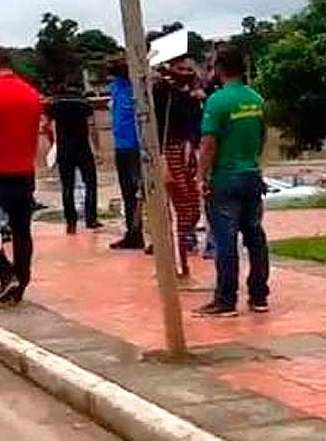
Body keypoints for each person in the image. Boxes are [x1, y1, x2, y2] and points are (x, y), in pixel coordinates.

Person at [194, 48, 269, 317]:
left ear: (221, 69)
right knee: (255, 237)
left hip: (225, 179)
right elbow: (261, 137)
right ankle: (259, 296)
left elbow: (208, 143)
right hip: (251, 175)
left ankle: (225, 300)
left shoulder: (217, 102)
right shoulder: (256, 100)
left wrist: (200, 176)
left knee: (225, 240)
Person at [0, 47, 43, 306]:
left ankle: (5, 272)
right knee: (22, 230)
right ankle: (21, 280)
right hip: (24, 170)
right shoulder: (31, 93)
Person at [154, 55, 204, 275]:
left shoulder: (191, 96)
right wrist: (162, 160)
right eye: (180, 68)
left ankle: (180, 253)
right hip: (170, 152)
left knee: (192, 208)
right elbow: (157, 128)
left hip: (188, 152)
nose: (186, 72)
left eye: (188, 68)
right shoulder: (163, 92)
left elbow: (196, 127)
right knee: (180, 207)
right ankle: (177, 262)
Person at [44, 82, 102, 234]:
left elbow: (46, 126)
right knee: (90, 182)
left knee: (67, 185)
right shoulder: (83, 103)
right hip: (82, 147)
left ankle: (71, 222)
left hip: (64, 147)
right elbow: (92, 126)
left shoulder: (55, 104)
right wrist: (97, 148)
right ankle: (91, 219)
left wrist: (54, 143)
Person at [107, 57, 144, 250]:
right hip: (122, 144)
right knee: (129, 193)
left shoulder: (136, 86)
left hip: (134, 144)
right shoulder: (116, 86)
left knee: (139, 192)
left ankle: (141, 232)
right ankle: (133, 232)